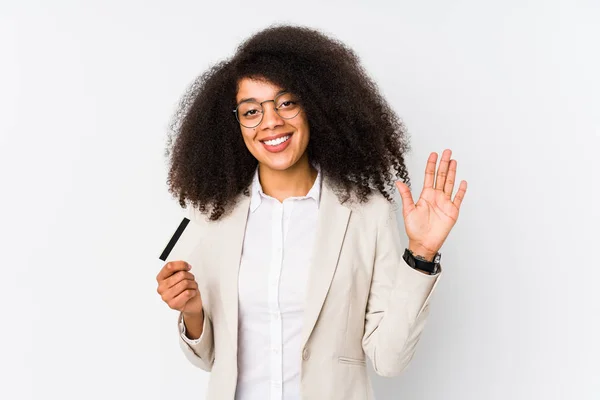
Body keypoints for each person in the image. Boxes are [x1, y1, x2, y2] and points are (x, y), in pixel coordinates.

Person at [156, 25, 467, 400]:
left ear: (315, 105)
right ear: (233, 123)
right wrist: (192, 312)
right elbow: (210, 360)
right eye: (251, 110)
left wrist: (421, 254)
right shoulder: (215, 219)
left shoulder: (365, 213)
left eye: (286, 102)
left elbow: (389, 360)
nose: (270, 122)